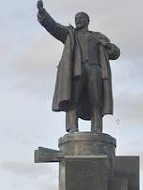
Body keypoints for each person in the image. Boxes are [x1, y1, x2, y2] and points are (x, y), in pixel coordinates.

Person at [36, 0, 120, 134]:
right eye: (76, 18)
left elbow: (115, 53)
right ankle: (72, 128)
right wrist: (43, 14)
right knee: (73, 100)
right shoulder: (70, 34)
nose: (77, 20)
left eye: (80, 18)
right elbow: (54, 27)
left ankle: (97, 130)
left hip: (95, 69)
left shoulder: (97, 36)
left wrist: (108, 46)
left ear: (87, 20)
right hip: (77, 70)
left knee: (96, 101)